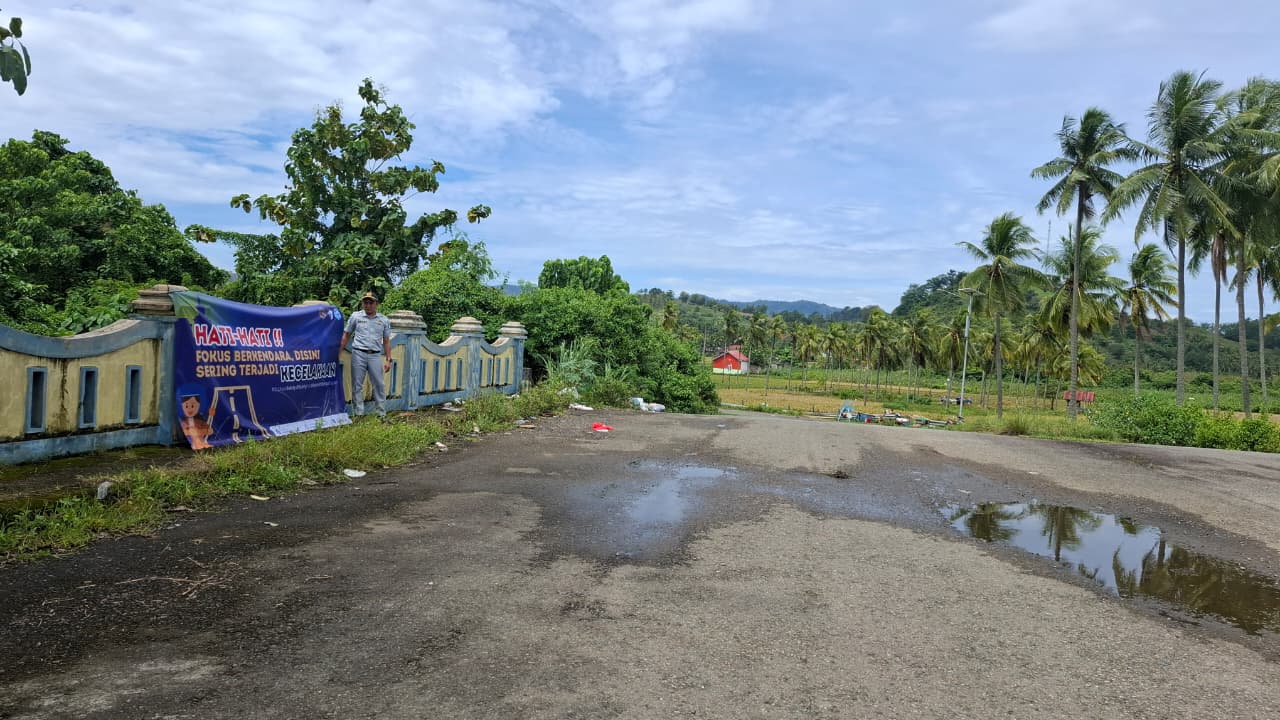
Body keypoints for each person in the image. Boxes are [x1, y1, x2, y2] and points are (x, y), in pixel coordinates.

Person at [340, 291, 392, 418]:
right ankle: (359, 414)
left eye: (370, 302)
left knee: (379, 384)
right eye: (365, 302)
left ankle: (381, 414)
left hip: (375, 355)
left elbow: (386, 341)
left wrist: (388, 359)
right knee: (357, 385)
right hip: (358, 354)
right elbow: (346, 335)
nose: (367, 305)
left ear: (376, 304)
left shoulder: (383, 320)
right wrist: (339, 352)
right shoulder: (356, 317)